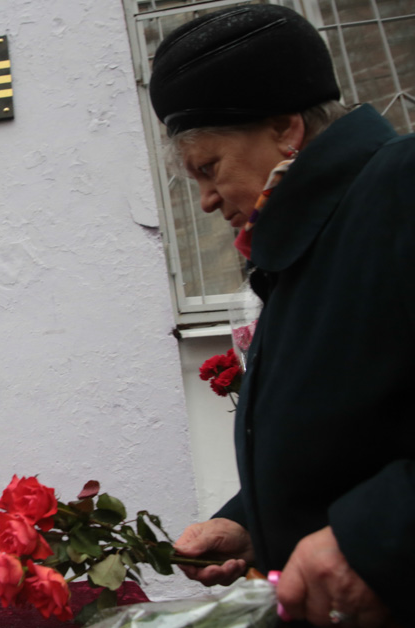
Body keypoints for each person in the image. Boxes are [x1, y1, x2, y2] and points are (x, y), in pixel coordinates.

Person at [148, 5, 413, 627]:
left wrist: (374, 537)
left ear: (284, 128)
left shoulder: (401, 188)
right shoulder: (304, 248)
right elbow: (357, 434)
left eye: (209, 168)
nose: (206, 200)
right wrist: (250, 523)